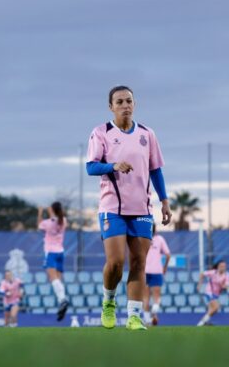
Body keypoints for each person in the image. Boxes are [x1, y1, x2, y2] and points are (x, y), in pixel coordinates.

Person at [86, 85, 172, 331]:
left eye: (129, 101)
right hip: (112, 207)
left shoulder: (147, 134)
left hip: (142, 208)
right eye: (120, 102)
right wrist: (112, 166)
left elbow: (156, 170)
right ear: (110, 107)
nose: (125, 105)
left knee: (138, 262)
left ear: (134, 104)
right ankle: (109, 302)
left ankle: (134, 316)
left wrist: (164, 201)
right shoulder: (101, 133)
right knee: (116, 262)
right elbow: (91, 167)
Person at [37, 202, 69, 321]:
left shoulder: (48, 223)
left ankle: (62, 300)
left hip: (50, 252)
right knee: (58, 280)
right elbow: (56, 220)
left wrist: (40, 213)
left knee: (53, 279)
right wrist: (52, 213)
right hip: (61, 252)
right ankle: (62, 301)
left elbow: (39, 226)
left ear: (52, 210)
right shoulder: (64, 220)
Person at [143, 225, 170, 326]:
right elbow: (168, 254)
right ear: (155, 229)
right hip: (156, 271)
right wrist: (165, 267)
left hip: (144, 271)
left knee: (145, 298)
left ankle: (147, 320)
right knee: (156, 298)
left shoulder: (142, 238)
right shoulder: (159, 239)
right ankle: (154, 313)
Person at [197, 260, 229, 326]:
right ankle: (201, 323)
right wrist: (199, 284)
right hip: (209, 292)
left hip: (216, 294)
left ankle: (204, 322)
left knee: (212, 310)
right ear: (218, 266)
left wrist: (222, 286)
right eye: (221, 266)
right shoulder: (213, 272)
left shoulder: (226, 275)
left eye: (224, 266)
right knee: (216, 307)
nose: (222, 267)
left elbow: (226, 287)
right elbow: (202, 274)